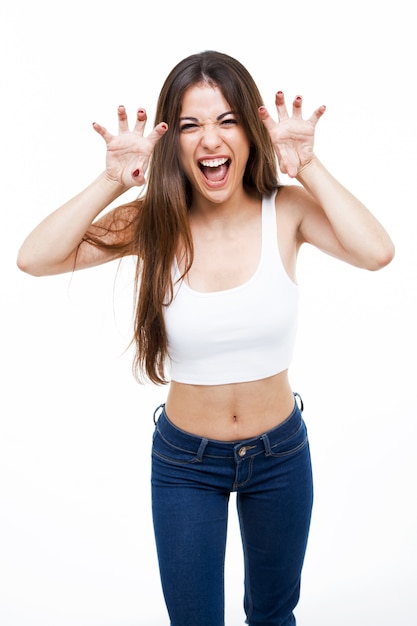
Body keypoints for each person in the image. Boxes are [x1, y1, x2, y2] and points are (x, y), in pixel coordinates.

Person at [17, 50, 395, 626]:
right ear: (171, 141)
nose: (210, 139)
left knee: (273, 617)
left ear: (251, 129)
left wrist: (308, 165)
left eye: (226, 120)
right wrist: (111, 181)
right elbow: (34, 258)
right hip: (186, 463)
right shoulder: (153, 220)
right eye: (190, 125)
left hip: (280, 455)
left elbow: (377, 252)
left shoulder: (286, 211)